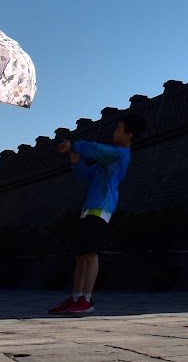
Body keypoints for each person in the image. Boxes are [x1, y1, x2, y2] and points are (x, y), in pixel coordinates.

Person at [47, 114, 143, 317]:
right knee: (81, 254)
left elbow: (97, 149)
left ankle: (87, 299)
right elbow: (87, 173)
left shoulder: (120, 154)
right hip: (90, 207)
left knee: (90, 253)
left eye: (119, 129)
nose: (114, 132)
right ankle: (75, 298)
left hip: (101, 207)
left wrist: (75, 145)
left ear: (130, 134)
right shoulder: (106, 161)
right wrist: (75, 160)